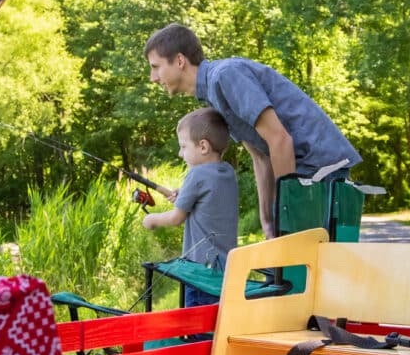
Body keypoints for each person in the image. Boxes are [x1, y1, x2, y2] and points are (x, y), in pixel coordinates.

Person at [144, 23, 360, 239]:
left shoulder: (225, 76)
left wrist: (286, 216)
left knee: (308, 267)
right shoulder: (213, 92)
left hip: (320, 169)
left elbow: (280, 140)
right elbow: (260, 156)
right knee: (283, 266)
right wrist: (267, 221)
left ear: (180, 61)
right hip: (304, 173)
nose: (153, 78)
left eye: (155, 67)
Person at [142, 107, 239, 307]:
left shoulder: (196, 175)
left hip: (200, 273)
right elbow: (208, 199)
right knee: (217, 326)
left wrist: (151, 220)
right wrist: (184, 194)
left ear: (203, 146)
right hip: (226, 271)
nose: (180, 153)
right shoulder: (228, 172)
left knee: (198, 328)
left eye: (184, 146)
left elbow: (176, 218)